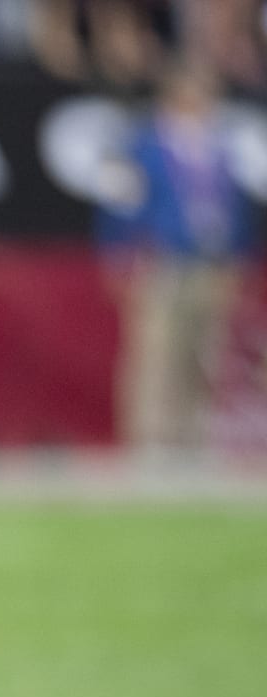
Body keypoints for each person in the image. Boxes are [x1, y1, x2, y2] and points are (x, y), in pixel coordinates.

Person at [99, 59, 256, 459]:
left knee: (202, 355)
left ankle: (193, 438)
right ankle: (150, 439)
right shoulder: (142, 145)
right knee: (156, 352)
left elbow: (234, 208)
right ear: (176, 98)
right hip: (162, 260)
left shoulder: (219, 148)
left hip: (210, 259)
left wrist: (236, 256)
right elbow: (121, 203)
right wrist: (120, 252)